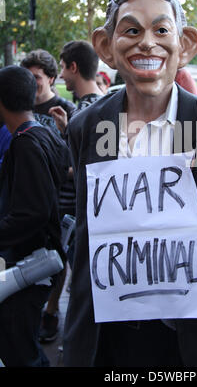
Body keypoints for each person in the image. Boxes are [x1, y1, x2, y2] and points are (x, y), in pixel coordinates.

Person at [62, 0, 197, 367]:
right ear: (106, 46)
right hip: (105, 336)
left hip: (186, 341)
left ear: (184, 44)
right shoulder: (85, 128)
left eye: (160, 29)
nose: (147, 42)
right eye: (131, 30)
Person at [0, 66, 69, 367]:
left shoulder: (25, 142)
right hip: (42, 257)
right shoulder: (43, 133)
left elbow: (34, 211)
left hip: (31, 263)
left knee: (18, 349)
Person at [21, 49, 76, 343]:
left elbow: (75, 162)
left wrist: (62, 132)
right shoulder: (18, 107)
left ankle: (51, 311)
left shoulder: (65, 109)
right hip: (28, 197)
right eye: (27, 78)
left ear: (52, 78)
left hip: (61, 199)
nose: (32, 84)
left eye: (37, 78)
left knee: (57, 257)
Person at [49, 40, 104, 135]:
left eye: (62, 67)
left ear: (73, 67)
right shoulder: (109, 105)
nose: (61, 75)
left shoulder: (82, 115)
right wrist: (66, 129)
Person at [21, 49, 76, 133]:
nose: (30, 82)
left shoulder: (67, 109)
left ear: (51, 79)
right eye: (27, 76)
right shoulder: (20, 108)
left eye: (36, 77)